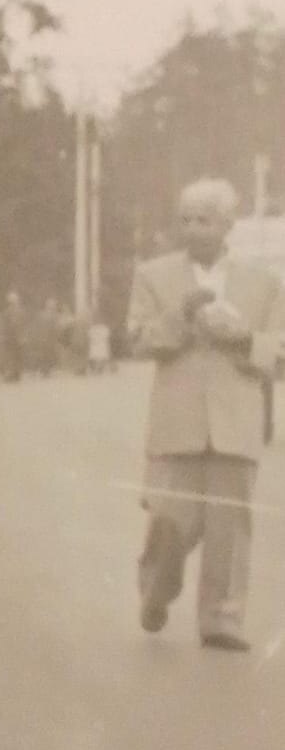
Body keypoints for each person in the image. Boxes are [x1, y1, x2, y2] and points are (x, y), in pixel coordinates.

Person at [128, 177, 284, 650]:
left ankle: (222, 618)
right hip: (177, 423)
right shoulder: (153, 275)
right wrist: (181, 314)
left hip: (236, 421)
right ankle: (155, 588)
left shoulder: (265, 282)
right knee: (169, 520)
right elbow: (137, 340)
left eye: (204, 220)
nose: (193, 229)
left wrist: (245, 339)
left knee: (229, 526)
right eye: (186, 220)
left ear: (227, 225)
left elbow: (279, 351)